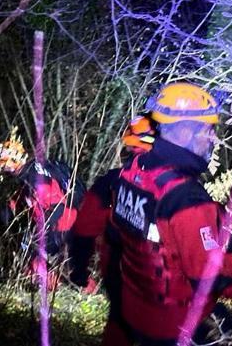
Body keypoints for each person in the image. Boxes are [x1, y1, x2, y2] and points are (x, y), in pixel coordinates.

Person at [106, 82, 232, 346]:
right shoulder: (185, 197)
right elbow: (210, 276)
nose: (212, 139)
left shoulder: (133, 170)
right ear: (184, 131)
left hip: (135, 308)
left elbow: (117, 232)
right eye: (208, 130)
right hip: (175, 323)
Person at [69, 115, 156, 327]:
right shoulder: (176, 186)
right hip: (154, 277)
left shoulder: (111, 182)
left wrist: (79, 270)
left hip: (125, 270)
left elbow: (84, 228)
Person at [0, 138, 85, 285]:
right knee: (26, 246)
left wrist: (40, 231)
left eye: (5, 165)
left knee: (34, 252)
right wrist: (10, 209)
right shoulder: (29, 172)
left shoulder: (36, 179)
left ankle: (53, 283)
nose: (4, 170)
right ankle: (41, 277)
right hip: (59, 223)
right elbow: (23, 198)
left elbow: (58, 207)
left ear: (12, 164)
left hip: (63, 227)